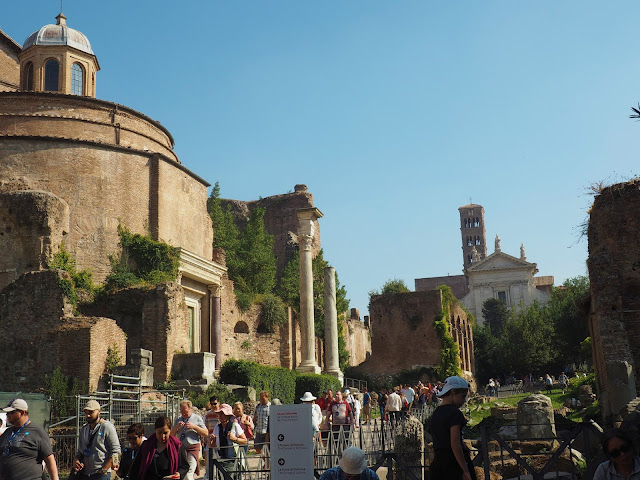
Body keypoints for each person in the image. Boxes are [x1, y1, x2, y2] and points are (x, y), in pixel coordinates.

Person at [428, 376, 476, 480]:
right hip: (453, 465)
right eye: (463, 396)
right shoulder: (454, 413)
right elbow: (455, 443)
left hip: (438, 464)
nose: (464, 401)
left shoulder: (436, 413)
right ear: (453, 392)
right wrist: (465, 470)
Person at [0, 398, 59, 480]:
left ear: (22, 412)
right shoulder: (7, 432)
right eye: (7, 412)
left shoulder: (37, 431)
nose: (7, 415)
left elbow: (49, 458)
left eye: (11, 412)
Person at [73, 399, 121, 479]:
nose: (88, 415)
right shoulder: (84, 429)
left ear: (99, 411)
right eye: (86, 413)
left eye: (91, 413)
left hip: (100, 473)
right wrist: (76, 459)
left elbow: (116, 451)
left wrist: (105, 469)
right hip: (85, 472)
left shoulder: (106, 427)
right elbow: (80, 450)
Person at [170, 400, 207, 480]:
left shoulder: (197, 418)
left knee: (189, 472)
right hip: (181, 449)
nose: (183, 414)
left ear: (190, 409)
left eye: (185, 411)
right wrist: (177, 427)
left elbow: (205, 433)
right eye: (181, 411)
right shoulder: (178, 419)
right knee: (182, 472)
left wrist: (194, 427)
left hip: (192, 448)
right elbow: (171, 435)